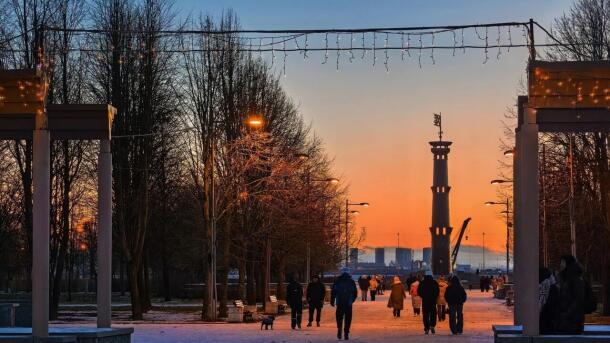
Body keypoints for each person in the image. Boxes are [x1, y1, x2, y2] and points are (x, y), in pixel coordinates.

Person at [554, 255, 586, 334]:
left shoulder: (575, 279)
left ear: (568, 263)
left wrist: (567, 314)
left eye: (563, 262)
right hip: (566, 319)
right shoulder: (565, 278)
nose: (561, 264)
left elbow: (578, 300)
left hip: (572, 321)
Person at [331, 268, 358, 340]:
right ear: (348, 273)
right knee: (348, 318)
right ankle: (346, 333)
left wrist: (332, 300)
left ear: (341, 273)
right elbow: (355, 292)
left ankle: (339, 329)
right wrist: (352, 300)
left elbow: (333, 291)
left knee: (339, 316)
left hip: (339, 302)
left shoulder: (337, 281)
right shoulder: (351, 281)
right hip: (348, 302)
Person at [539, 267, 558, 334]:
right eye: (551, 275)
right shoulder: (552, 287)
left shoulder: (536, 287)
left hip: (538, 323)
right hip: (549, 323)